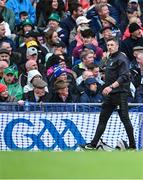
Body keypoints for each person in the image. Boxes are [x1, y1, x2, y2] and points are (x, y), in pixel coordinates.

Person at [80, 37, 136, 150]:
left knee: (125, 120)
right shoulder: (109, 57)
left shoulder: (121, 59)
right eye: (108, 45)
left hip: (120, 94)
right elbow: (102, 68)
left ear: (117, 46)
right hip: (110, 95)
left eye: (112, 45)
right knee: (102, 119)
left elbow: (125, 76)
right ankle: (93, 144)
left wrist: (111, 86)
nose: (109, 47)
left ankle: (132, 146)